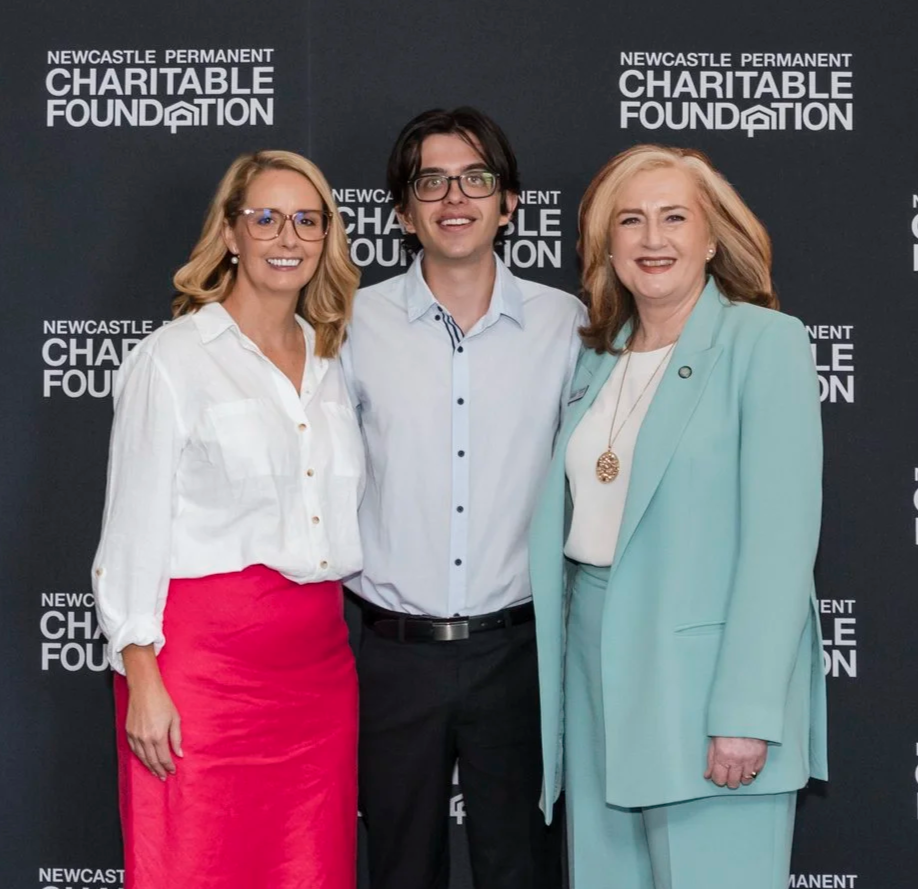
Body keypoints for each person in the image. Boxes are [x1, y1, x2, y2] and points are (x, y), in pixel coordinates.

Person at [528, 144, 828, 889]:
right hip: (595, 683)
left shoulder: (765, 343)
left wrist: (747, 710)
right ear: (606, 245)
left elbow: (779, 545)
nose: (651, 239)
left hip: (704, 696)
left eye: (673, 218)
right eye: (629, 220)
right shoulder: (597, 357)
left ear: (711, 237)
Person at [91, 150, 363, 889]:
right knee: (194, 865)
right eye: (265, 217)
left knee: (311, 870)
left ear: (326, 238)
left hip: (319, 673)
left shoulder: (335, 359)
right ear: (232, 234)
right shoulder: (173, 359)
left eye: (308, 220)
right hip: (203, 672)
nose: (287, 235)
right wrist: (141, 673)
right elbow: (131, 525)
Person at [341, 107, 583, 889]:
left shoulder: (568, 324)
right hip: (389, 655)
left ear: (509, 202)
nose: (455, 196)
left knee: (522, 870)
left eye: (476, 177)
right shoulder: (348, 324)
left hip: (519, 653)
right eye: (431, 180)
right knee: (399, 869)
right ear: (403, 210)